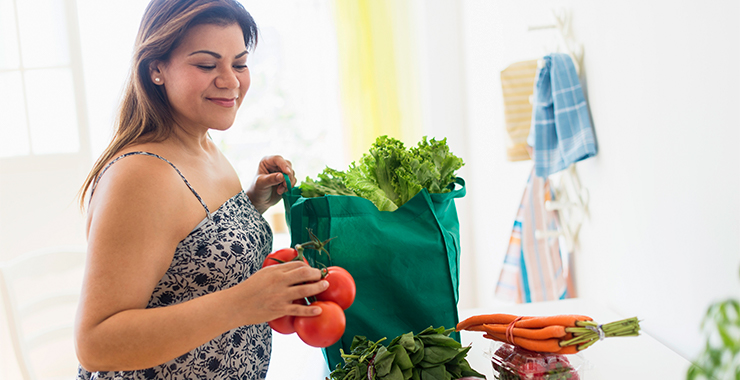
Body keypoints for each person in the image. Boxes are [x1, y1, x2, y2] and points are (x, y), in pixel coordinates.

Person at [74, 1, 328, 378]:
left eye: (240, 64)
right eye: (207, 65)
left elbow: (187, 253)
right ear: (156, 69)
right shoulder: (139, 174)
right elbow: (96, 345)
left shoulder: (202, 143)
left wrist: (250, 204)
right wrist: (245, 302)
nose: (230, 80)